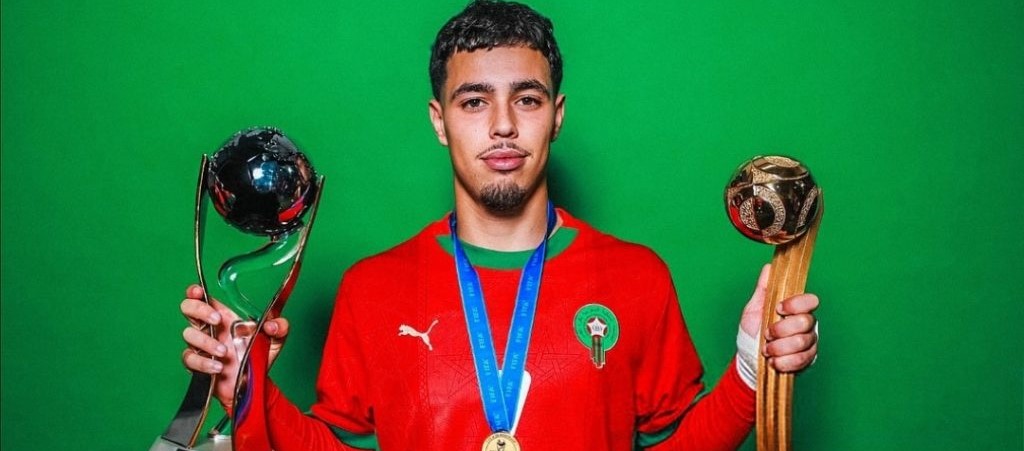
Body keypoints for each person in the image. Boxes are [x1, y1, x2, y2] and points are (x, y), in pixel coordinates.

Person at [180, 1, 820, 449]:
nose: (504, 125)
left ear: (556, 115)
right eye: (474, 101)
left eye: (527, 98)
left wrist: (750, 370)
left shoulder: (637, 277)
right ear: (439, 121)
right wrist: (247, 390)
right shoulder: (371, 289)